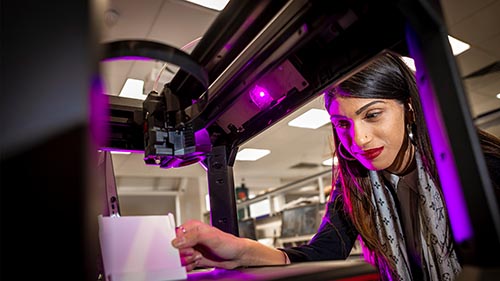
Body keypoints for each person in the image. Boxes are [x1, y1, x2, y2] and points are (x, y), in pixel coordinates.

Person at [171, 52, 500, 280]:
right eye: (342, 123)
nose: (358, 139)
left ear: (409, 108)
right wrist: (239, 251)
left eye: (372, 114)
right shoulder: (355, 185)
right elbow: (322, 253)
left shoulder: (483, 167)